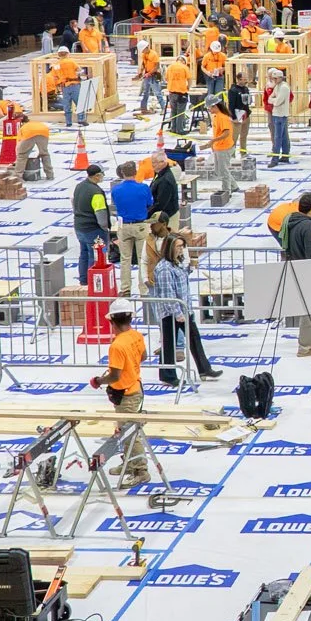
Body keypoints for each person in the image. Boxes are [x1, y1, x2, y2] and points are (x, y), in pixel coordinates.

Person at [89, 299, 151, 483]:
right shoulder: (136, 336)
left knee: (130, 433)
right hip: (134, 388)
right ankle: (129, 464)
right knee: (123, 431)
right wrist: (130, 367)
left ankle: (140, 471)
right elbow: (143, 356)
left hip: (126, 394)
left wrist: (98, 381)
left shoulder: (117, 345)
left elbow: (114, 376)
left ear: (112, 321)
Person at [148, 228, 220, 385]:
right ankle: (167, 374)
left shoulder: (177, 263)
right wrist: (178, 313)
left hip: (184, 308)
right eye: (178, 246)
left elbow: (182, 283)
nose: (181, 249)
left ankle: (204, 369)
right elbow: (168, 295)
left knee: (194, 338)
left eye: (182, 246)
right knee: (169, 343)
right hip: (171, 312)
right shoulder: (165, 268)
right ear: (170, 247)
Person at [281, 192, 311, 357]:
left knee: (310, 308)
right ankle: (305, 346)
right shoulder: (308, 227)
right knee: (309, 309)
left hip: (297, 267)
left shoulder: (292, 221)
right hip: (308, 273)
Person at [111, 160, 154, 295]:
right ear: (135, 172)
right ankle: (143, 289)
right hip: (140, 225)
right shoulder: (143, 188)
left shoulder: (116, 190)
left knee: (125, 259)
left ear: (122, 174)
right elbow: (149, 203)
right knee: (142, 259)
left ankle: (125, 289)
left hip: (124, 225)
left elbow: (115, 204)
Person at [264, 69, 291, 166]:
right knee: (282, 136)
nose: (274, 80)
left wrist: (273, 100)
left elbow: (278, 101)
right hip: (277, 113)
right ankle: (285, 155)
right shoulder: (277, 86)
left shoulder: (284, 87)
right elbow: (269, 98)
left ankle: (275, 159)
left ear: (280, 78)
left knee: (278, 137)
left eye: (275, 78)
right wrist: (273, 100)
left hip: (281, 114)